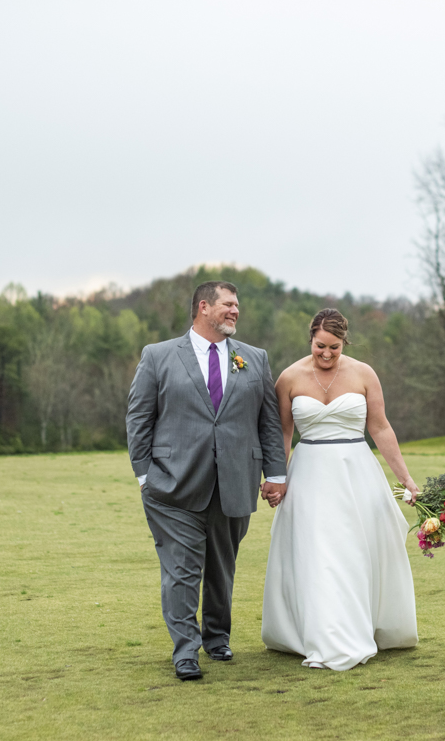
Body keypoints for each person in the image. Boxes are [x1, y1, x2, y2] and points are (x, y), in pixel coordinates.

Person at [127, 281, 288, 681]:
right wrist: (145, 474)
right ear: (204, 306)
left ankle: (217, 638)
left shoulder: (255, 359)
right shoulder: (159, 356)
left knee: (221, 568)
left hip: (235, 482)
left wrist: (277, 473)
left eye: (237, 305)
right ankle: (186, 651)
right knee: (181, 569)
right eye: (228, 305)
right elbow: (139, 417)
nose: (235, 311)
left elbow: (268, 422)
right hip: (172, 485)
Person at [261, 308, 419, 669]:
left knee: (352, 552)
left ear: (344, 342)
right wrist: (277, 478)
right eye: (320, 346)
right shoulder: (289, 378)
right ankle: (323, 634)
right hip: (309, 475)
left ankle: (359, 626)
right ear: (310, 340)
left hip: (356, 473)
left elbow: (380, 428)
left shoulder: (364, 374)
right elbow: (282, 434)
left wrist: (406, 478)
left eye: (334, 347)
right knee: (318, 554)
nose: (327, 354)